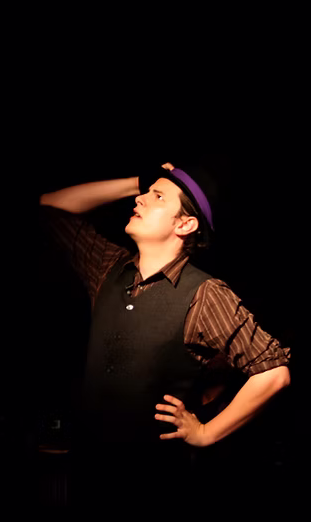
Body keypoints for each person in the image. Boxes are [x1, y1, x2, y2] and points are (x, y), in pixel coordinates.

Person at [39, 163, 291, 508]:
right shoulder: (109, 267)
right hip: (89, 473)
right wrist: (137, 181)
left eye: (157, 196)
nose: (141, 199)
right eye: (146, 193)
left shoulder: (204, 293)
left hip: (153, 486)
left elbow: (273, 372)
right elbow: (50, 205)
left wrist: (206, 433)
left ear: (185, 225)